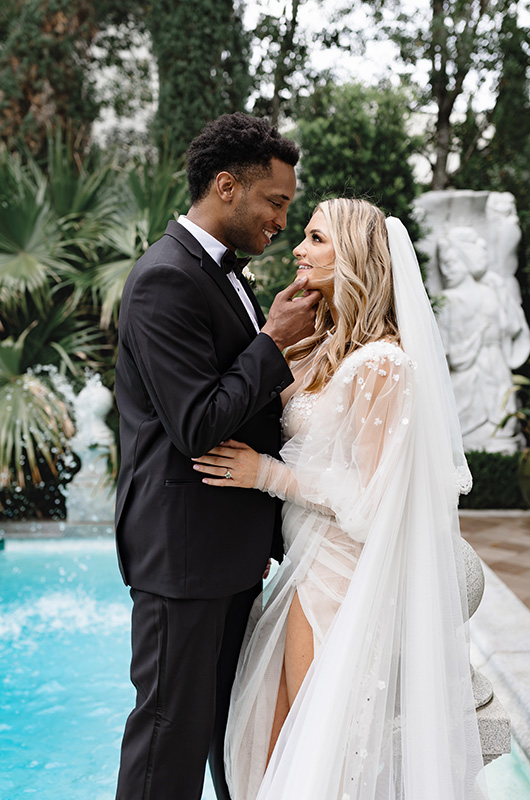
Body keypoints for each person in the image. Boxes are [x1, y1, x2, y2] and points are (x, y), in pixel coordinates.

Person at [193, 198, 489, 800]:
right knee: (265, 748)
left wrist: (263, 475)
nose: (298, 248)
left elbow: (370, 498)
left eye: (316, 238)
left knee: (313, 753)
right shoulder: (315, 351)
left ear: (352, 255)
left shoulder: (383, 364)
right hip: (299, 566)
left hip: (337, 572)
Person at [113, 112, 321, 800]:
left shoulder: (222, 271)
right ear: (227, 187)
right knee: (168, 740)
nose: (282, 222)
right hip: (183, 558)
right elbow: (197, 422)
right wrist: (271, 341)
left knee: (232, 735)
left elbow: (250, 405)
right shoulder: (163, 278)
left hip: (227, 554)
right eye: (276, 203)